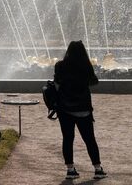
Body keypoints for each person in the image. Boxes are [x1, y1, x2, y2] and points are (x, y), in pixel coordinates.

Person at [54, 40, 107, 180]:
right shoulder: (85, 66)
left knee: (67, 139)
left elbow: (57, 84)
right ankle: (97, 169)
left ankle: (70, 170)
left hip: (65, 109)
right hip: (83, 109)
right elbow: (94, 81)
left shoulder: (60, 65)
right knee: (89, 139)